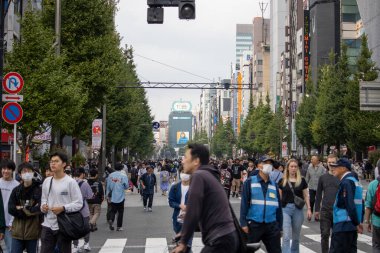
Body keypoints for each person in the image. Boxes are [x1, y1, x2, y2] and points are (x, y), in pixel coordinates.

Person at [172, 144, 239, 253]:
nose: (182, 161)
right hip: (226, 236)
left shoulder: (199, 176)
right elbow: (203, 211)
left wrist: (183, 242)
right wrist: (186, 231)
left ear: (196, 161)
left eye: (185, 158)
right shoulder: (209, 174)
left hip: (220, 239)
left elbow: (193, 210)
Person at [40, 151, 83, 253]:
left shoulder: (70, 182)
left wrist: (63, 208)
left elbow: (79, 203)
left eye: (56, 161)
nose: (52, 164)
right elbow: (43, 199)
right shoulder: (47, 181)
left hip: (64, 225)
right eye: (51, 161)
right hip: (47, 225)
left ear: (64, 164)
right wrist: (43, 207)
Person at [240, 155, 282, 253]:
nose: (268, 165)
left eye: (270, 163)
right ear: (259, 166)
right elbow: (244, 204)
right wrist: (243, 223)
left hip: (271, 225)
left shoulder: (274, 185)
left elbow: (278, 207)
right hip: (254, 225)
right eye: (265, 163)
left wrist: (280, 226)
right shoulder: (250, 182)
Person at [330, 158, 363, 253]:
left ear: (343, 168)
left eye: (336, 167)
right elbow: (360, 203)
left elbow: (350, 204)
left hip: (343, 224)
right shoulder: (354, 181)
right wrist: (357, 221)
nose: (333, 169)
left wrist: (356, 222)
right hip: (350, 225)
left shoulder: (346, 182)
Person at [278, 159, 312, 253]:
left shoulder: (302, 180)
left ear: (297, 168)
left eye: (295, 166)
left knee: (296, 237)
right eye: (291, 166)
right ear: (288, 168)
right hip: (285, 209)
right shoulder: (282, 181)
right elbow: (279, 197)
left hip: (298, 210)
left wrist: (309, 209)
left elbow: (306, 195)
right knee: (286, 236)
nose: (293, 168)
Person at [8, 162, 41, 253]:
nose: (26, 173)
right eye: (24, 171)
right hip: (17, 232)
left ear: (33, 173)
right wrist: (28, 209)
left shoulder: (38, 190)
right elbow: (11, 208)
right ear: (20, 174)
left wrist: (21, 208)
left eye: (28, 171)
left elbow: (39, 209)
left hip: (32, 232)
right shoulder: (16, 190)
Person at [314, 154, 340, 253]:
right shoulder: (323, 177)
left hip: (338, 210)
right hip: (325, 210)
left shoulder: (340, 177)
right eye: (329, 162)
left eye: (333, 162)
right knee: (324, 234)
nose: (331, 164)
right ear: (326, 163)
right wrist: (316, 210)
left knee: (336, 235)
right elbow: (319, 194)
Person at [168, 172, 192, 252]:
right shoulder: (175, 187)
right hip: (177, 219)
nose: (185, 174)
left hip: (190, 219)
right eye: (182, 172)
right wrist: (179, 205)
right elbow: (171, 202)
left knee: (187, 245)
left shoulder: (195, 187)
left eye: (186, 172)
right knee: (180, 243)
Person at [0, 159, 20, 253]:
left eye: (9, 169)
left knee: (10, 249)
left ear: (12, 170)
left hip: (9, 224)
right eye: (4, 168)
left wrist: (12, 221)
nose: (6, 171)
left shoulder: (17, 185)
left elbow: (18, 205)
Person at [73, 168, 93, 252]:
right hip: (83, 209)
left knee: (74, 229)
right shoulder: (85, 184)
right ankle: (86, 244)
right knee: (86, 228)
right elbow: (90, 196)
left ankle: (75, 246)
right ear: (82, 174)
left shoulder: (70, 183)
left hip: (73, 210)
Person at [106, 163, 129, 231]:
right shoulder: (123, 176)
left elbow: (108, 187)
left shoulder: (110, 175)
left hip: (112, 196)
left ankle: (111, 220)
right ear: (121, 168)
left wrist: (107, 195)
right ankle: (119, 226)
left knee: (113, 210)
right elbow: (126, 186)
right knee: (120, 212)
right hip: (120, 196)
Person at [305, 155, 326, 220]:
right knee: (311, 200)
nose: (311, 160)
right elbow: (307, 177)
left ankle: (317, 214)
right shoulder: (309, 167)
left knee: (318, 201)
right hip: (311, 186)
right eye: (311, 159)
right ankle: (310, 213)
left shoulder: (322, 168)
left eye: (312, 159)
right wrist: (305, 186)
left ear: (317, 161)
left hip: (319, 187)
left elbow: (324, 178)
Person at [365, 169, 380, 252]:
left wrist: (367, 221)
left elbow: (368, 205)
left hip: (377, 220)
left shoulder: (373, 184)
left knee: (376, 246)